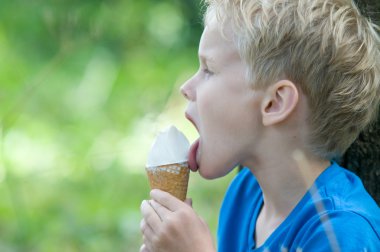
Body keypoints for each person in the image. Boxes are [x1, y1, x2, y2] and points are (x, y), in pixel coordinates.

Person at [140, 0, 380, 251]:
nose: (186, 88)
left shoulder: (342, 234)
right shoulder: (244, 194)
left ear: (274, 103)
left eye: (208, 69)